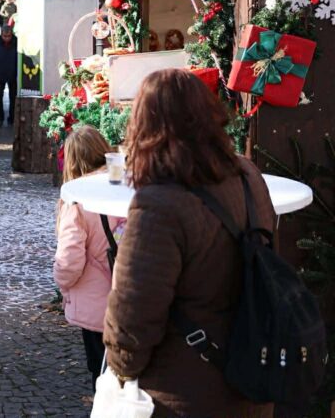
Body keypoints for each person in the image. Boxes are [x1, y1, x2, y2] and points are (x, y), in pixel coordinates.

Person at [103, 69, 276, 417]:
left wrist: (119, 374)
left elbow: (133, 315)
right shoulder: (247, 176)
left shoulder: (158, 205)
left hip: (184, 393)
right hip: (253, 380)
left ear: (145, 128)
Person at [53, 126, 120, 391]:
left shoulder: (78, 199)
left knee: (102, 375)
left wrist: (63, 285)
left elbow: (69, 261)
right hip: (133, 298)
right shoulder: (126, 185)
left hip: (98, 306)